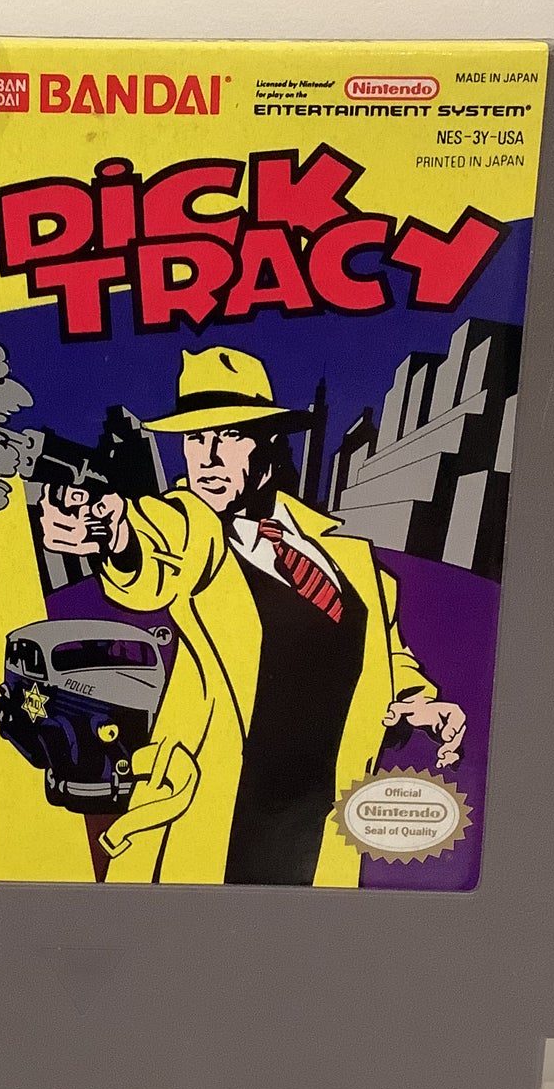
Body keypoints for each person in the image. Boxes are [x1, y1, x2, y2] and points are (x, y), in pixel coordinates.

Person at [39, 346, 466, 885]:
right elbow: (156, 549)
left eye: (230, 435)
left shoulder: (350, 561)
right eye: (195, 438)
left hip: (318, 833)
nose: (208, 458)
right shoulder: (197, 533)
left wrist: (418, 703)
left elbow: (384, 653)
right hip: (215, 826)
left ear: (268, 440)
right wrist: (116, 539)